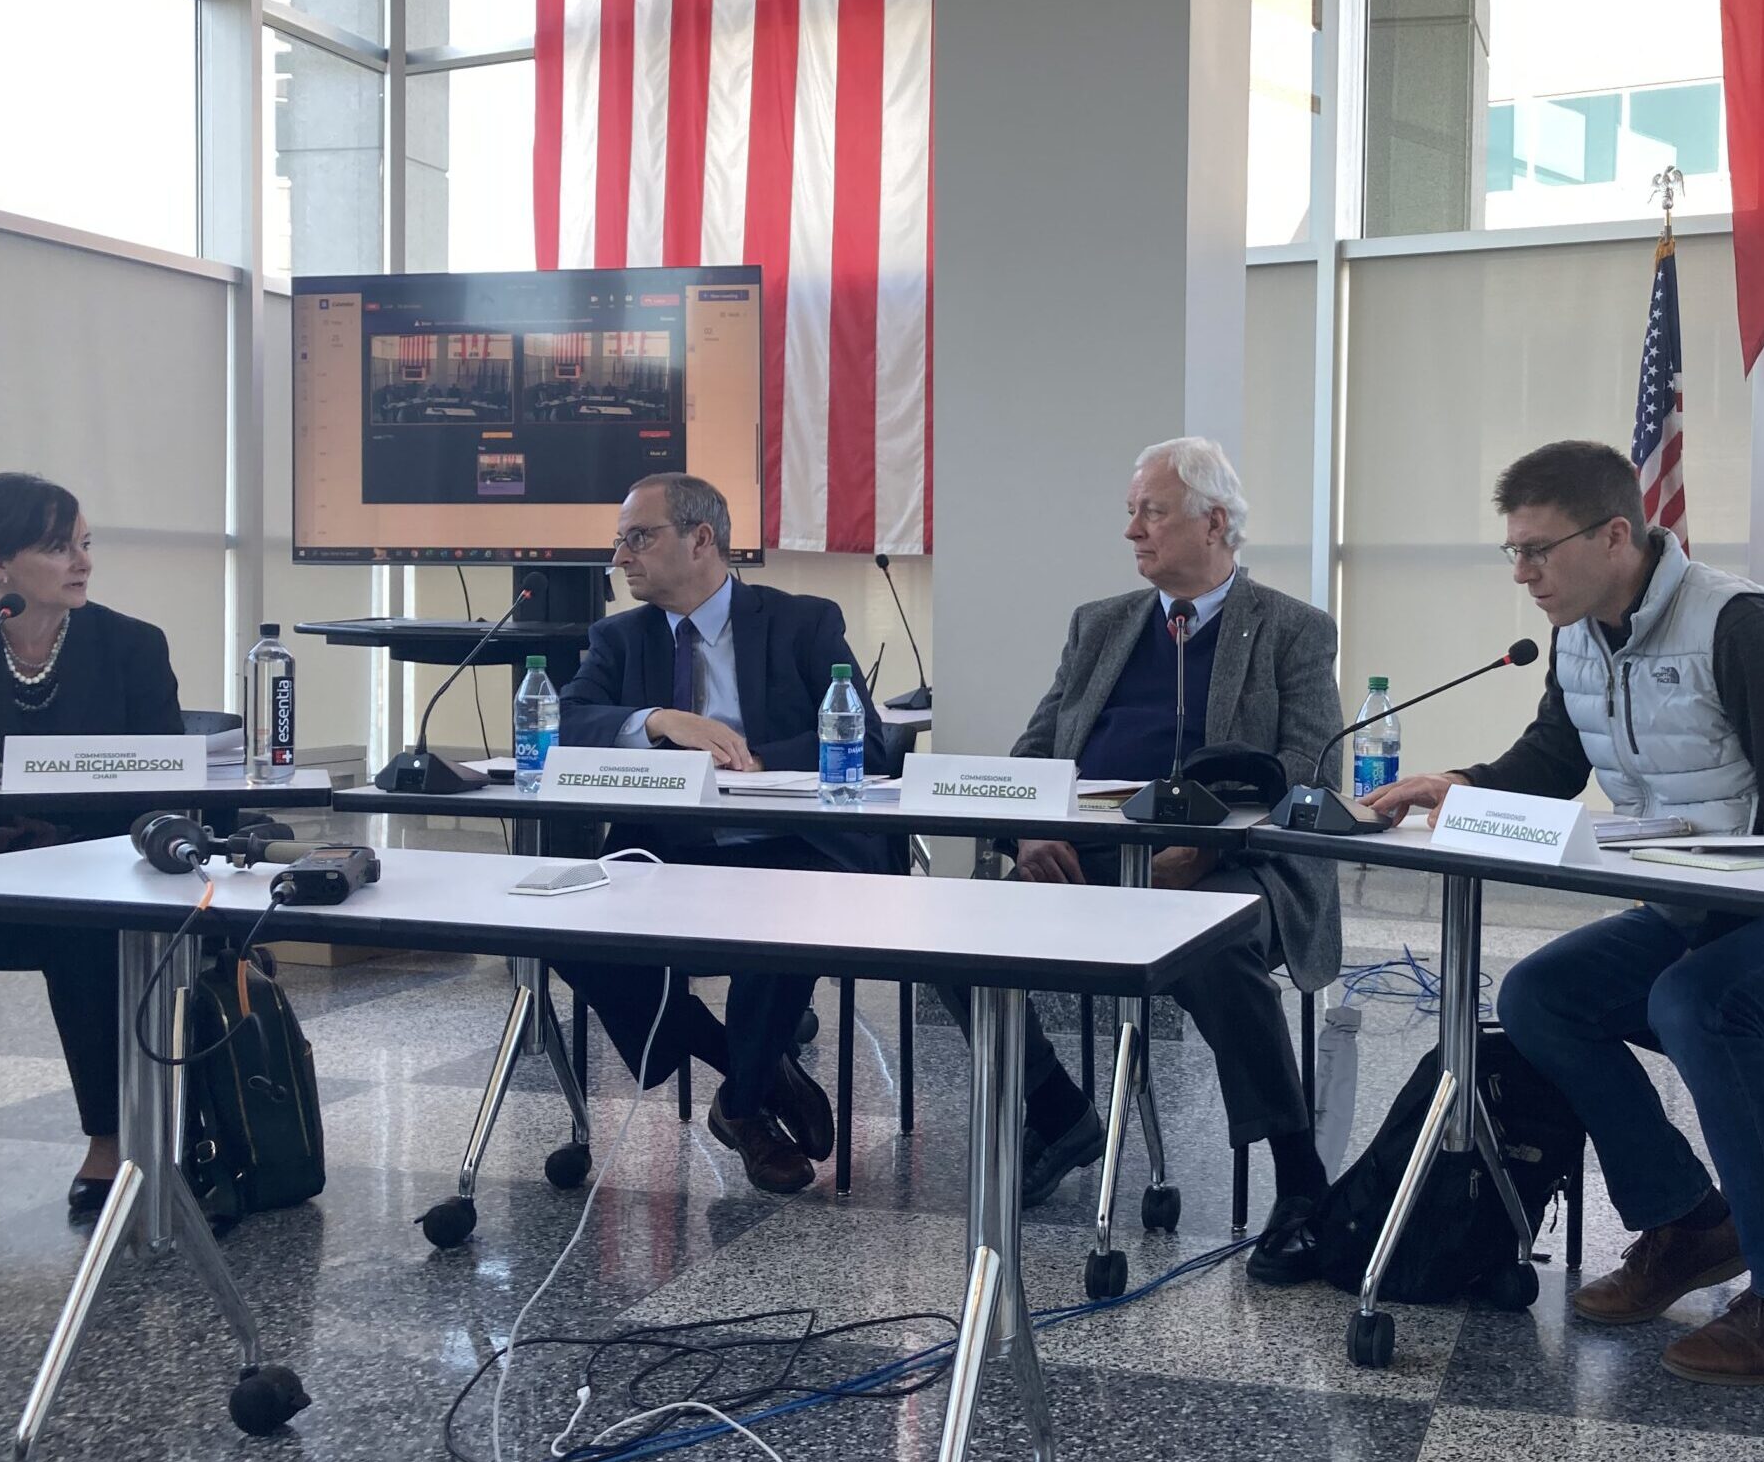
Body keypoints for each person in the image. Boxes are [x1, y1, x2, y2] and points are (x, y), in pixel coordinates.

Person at [1364, 440, 1764, 1383]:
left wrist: (1696, 900)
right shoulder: (1577, 638)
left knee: (1699, 1002)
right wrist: (1454, 785)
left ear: (1616, 534)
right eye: (1513, 553)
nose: (1524, 573)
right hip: (1700, 916)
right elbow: (1548, 769)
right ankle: (1691, 1222)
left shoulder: (1739, 626)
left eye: (1540, 549)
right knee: (1540, 996)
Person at [937, 437, 1344, 1282]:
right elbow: (1034, 753)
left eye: (1151, 512)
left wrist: (1203, 851)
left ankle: (1302, 1180)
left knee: (1217, 945)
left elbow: (1308, 772)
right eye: (1132, 513)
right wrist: (1023, 832)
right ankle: (1058, 1113)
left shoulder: (1293, 632)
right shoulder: (1101, 625)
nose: (1132, 532)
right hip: (1090, 857)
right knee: (952, 930)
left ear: (1215, 522)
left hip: (1234, 864)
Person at [551, 473, 897, 1196]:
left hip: (790, 841)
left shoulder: (803, 621)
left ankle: (740, 1107)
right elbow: (563, 725)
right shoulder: (619, 638)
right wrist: (658, 722)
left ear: (701, 539)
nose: (621, 556)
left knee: (785, 911)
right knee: (566, 923)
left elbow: (868, 744)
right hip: (667, 841)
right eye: (620, 540)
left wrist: (759, 762)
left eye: (638, 537)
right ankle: (751, 1070)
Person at [0, 473, 185, 1215]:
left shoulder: (131, 645)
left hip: (94, 865)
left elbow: (162, 774)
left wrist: (72, 835)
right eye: (56, 547)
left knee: (89, 929)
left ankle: (110, 1139)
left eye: (84, 543)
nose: (81, 561)